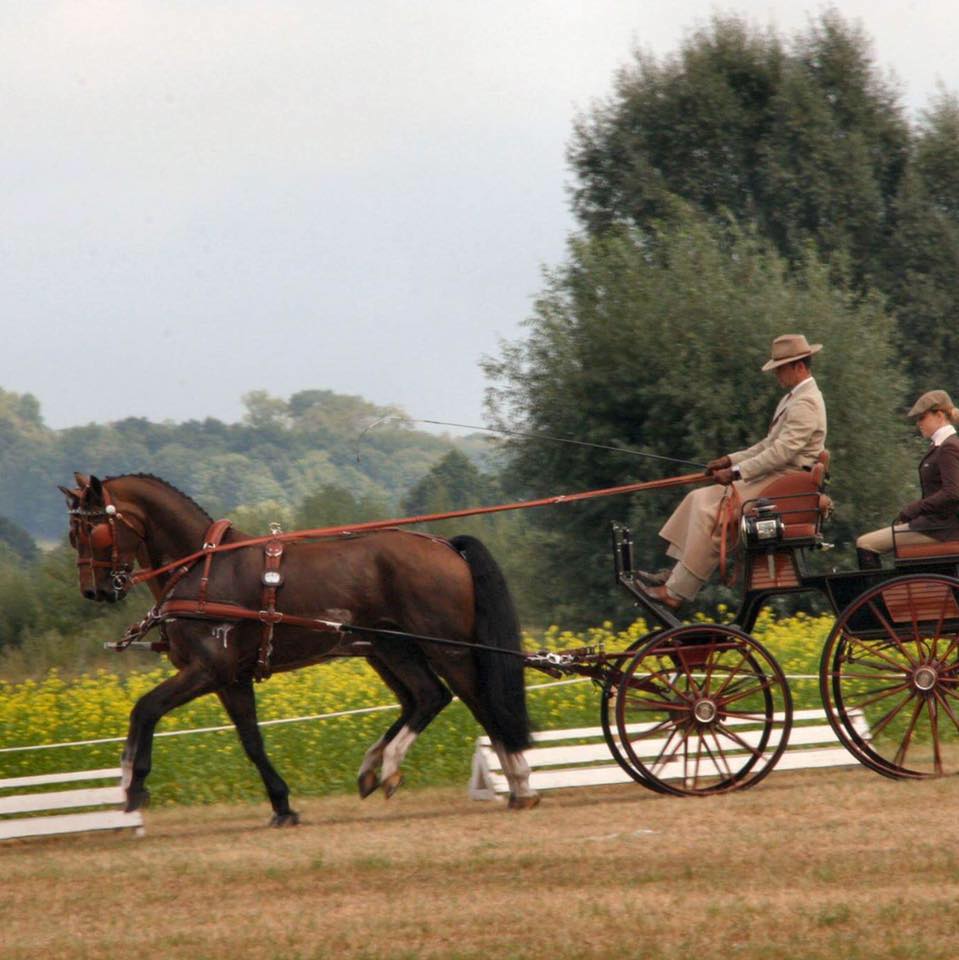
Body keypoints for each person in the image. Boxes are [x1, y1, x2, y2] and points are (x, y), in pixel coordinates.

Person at [640, 333, 828, 609]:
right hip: (776, 476)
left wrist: (738, 472)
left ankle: (676, 592)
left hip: (784, 480)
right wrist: (729, 460)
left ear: (799, 366)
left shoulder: (806, 402)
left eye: (781, 369)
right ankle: (679, 573)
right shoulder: (794, 398)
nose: (777, 375)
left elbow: (782, 453)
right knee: (698, 498)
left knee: (712, 512)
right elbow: (768, 445)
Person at [855, 390, 959, 568]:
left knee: (865, 544)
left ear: (940, 415)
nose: (918, 423)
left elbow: (952, 492)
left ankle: (877, 596)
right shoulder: (944, 446)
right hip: (936, 526)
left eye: (922, 417)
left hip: (939, 529)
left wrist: (913, 509)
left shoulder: (948, 447)